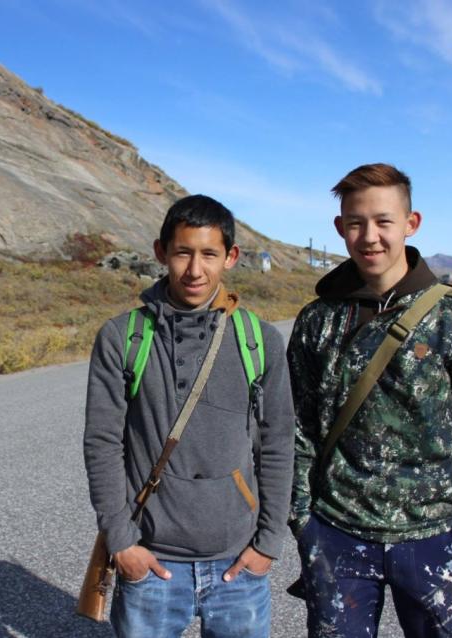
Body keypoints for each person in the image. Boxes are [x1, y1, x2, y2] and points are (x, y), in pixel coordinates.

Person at [287, 163, 452, 637]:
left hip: (434, 533)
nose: (370, 236)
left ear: (411, 223)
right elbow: (298, 426)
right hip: (337, 533)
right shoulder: (317, 321)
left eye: (383, 221)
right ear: (340, 228)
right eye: (356, 222)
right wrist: (302, 517)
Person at [83, 194, 295, 637]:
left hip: (239, 565)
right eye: (182, 252)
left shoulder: (260, 340)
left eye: (209, 255)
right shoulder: (123, 337)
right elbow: (103, 443)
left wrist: (268, 545)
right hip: (152, 562)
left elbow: (277, 444)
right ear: (162, 252)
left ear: (231, 257)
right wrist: (121, 542)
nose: (194, 270)